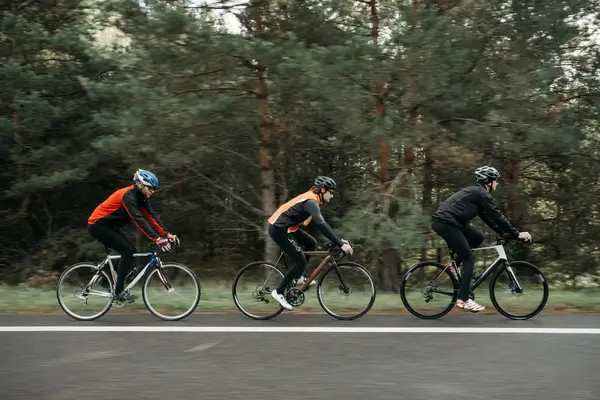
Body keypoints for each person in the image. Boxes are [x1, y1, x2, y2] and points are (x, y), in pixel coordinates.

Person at [431, 165, 532, 312]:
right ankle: (464, 299)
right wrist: (517, 234)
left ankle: (453, 266)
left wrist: (506, 233)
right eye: (495, 180)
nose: (497, 183)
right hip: (446, 224)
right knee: (469, 258)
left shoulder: (479, 195)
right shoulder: (481, 194)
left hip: (452, 223)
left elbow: (490, 219)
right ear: (488, 182)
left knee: (478, 237)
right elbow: (497, 215)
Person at [87, 169, 180, 303]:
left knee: (131, 251)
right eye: (150, 189)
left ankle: (107, 282)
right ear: (140, 185)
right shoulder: (128, 196)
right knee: (127, 250)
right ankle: (118, 292)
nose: (152, 192)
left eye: (154, 190)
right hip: (97, 225)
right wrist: (157, 239)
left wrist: (167, 234)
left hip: (109, 226)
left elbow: (152, 217)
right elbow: (139, 220)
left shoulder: (141, 198)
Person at [267, 176, 353, 310]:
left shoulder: (314, 201)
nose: (332, 196)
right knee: (300, 261)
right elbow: (322, 225)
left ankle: (298, 276)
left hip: (289, 229)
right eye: (331, 192)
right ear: (323, 189)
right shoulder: (311, 201)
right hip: (279, 229)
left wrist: (339, 240)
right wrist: (341, 244)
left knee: (311, 243)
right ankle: (278, 292)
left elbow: (322, 226)